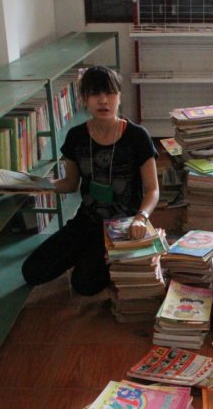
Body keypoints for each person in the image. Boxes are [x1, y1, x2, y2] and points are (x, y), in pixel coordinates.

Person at [21, 66, 159, 296]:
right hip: (87, 219)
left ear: (119, 96)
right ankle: (87, 254)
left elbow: (153, 189)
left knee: (84, 285)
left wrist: (141, 218)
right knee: (32, 272)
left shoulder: (137, 136)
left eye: (110, 93)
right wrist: (40, 185)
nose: (103, 100)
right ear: (84, 99)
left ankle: (102, 258)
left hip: (123, 226)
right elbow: (70, 183)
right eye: (95, 94)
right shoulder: (76, 136)